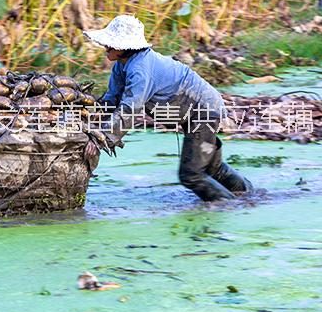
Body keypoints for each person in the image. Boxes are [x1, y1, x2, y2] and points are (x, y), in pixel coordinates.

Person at [83, 15, 254, 202]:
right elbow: (112, 100)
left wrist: (101, 140)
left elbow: (130, 109)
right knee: (212, 168)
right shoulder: (121, 67)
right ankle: (247, 193)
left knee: (191, 174)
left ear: (125, 47)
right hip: (193, 113)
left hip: (204, 111)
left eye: (111, 43)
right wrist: (87, 120)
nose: (105, 47)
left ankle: (230, 206)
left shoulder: (140, 69)